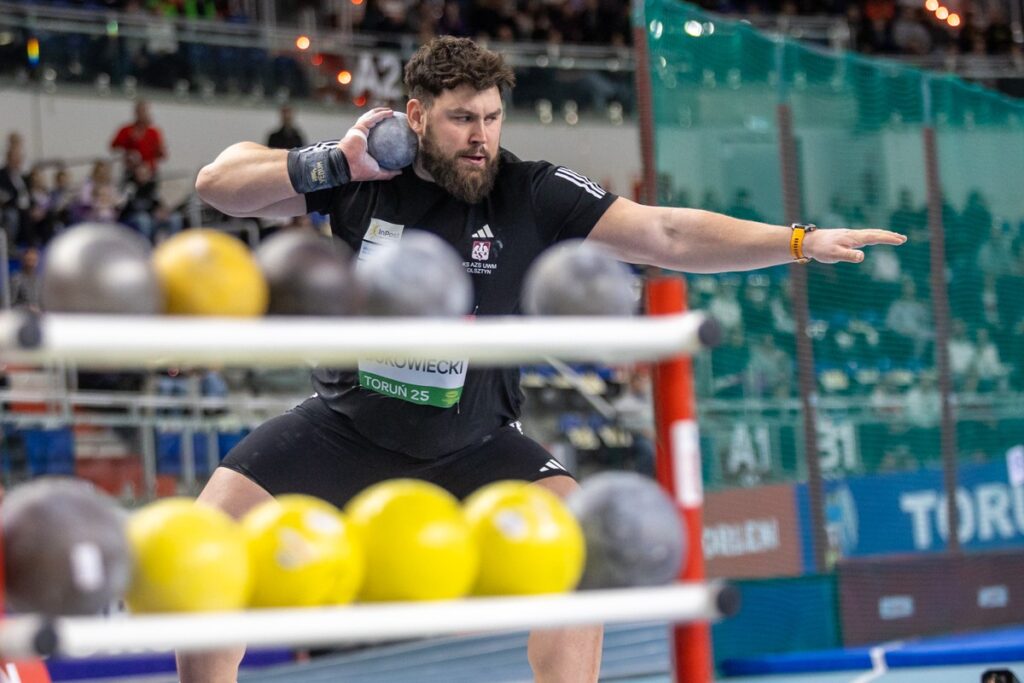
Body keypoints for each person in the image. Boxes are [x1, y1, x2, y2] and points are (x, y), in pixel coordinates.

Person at [190, 36, 905, 683]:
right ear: (414, 116)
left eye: (492, 118)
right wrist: (333, 160)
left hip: (473, 441)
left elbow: (666, 234)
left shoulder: (530, 190)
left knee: (577, 558)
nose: (480, 138)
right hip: (343, 426)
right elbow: (218, 182)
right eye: (461, 119)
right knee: (204, 552)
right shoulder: (361, 174)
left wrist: (798, 240)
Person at [110, 100, 166, 175]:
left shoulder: (154, 132)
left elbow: (161, 154)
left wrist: (160, 151)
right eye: (140, 111)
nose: (142, 114)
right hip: (131, 169)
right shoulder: (126, 130)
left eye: (144, 111)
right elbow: (114, 146)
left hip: (149, 170)